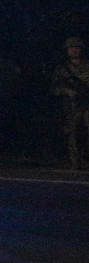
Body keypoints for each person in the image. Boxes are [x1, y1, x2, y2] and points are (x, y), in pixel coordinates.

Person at [51, 36, 89, 169]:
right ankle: (76, 162)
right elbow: (54, 89)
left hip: (87, 103)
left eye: (76, 48)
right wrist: (68, 91)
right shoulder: (62, 69)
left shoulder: (87, 66)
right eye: (71, 48)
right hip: (72, 106)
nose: (74, 50)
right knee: (73, 133)